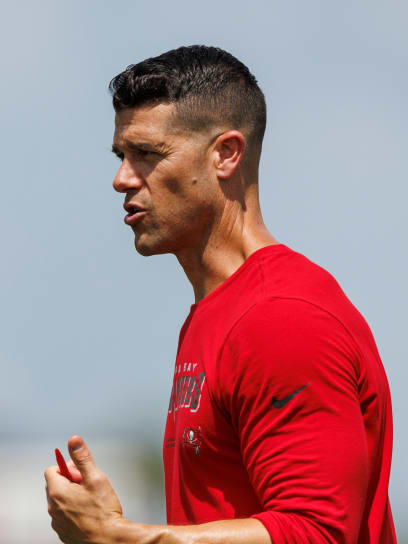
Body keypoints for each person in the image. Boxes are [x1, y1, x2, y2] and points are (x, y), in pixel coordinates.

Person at [45, 46, 396, 543]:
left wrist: (121, 537)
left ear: (226, 154)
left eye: (147, 154)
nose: (122, 178)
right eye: (122, 156)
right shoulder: (220, 311)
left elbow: (316, 532)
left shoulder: (280, 318)